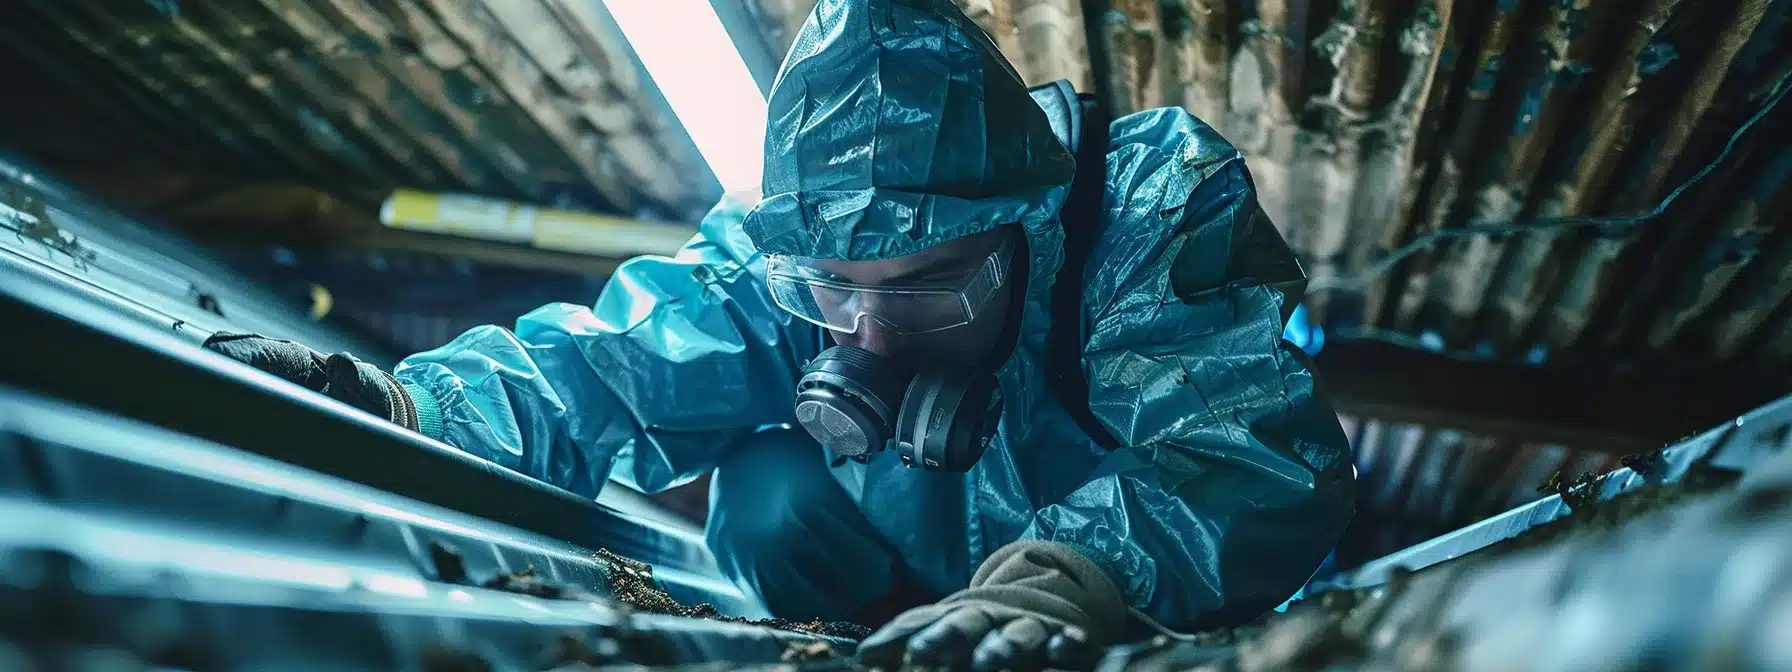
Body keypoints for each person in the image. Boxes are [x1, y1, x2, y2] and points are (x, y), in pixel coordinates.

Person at [204, 0, 1355, 668]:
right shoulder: (787, 247)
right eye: (834, 290)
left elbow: (1242, 449)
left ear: (1025, 234)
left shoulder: (1146, 204)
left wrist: (1073, 581)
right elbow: (614, 364)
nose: (866, 333)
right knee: (759, 482)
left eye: (923, 290)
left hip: (1110, 594)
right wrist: (408, 408)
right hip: (902, 572)